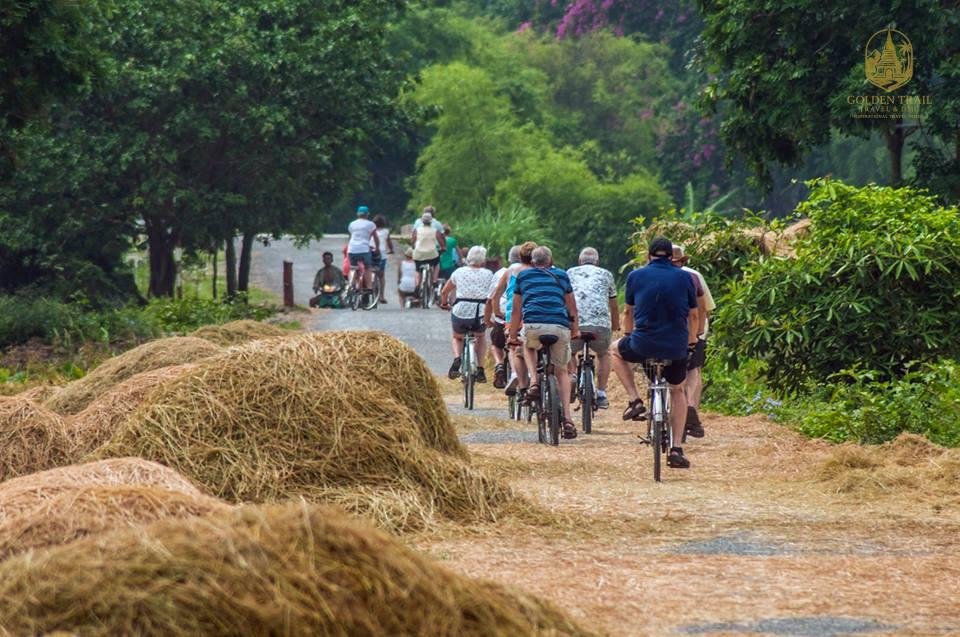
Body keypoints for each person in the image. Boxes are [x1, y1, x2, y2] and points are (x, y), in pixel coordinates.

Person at [611, 237, 698, 469]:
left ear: (648, 256)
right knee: (677, 390)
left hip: (643, 344)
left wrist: (629, 333)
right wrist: (690, 342)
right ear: (672, 257)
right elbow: (693, 316)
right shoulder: (686, 277)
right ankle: (677, 447)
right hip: (676, 346)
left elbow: (629, 312)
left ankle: (635, 399)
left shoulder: (635, 276)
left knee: (614, 351)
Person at [507, 245, 581, 440]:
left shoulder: (523, 276)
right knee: (562, 371)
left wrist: (512, 335)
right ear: (551, 260)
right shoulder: (563, 276)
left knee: (528, 345)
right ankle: (567, 418)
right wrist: (575, 331)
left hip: (533, 326)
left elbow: (516, 310)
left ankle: (533, 381)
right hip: (559, 326)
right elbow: (572, 308)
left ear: (532, 261)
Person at [566, 247, 620, 409]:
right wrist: (616, 325)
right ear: (597, 262)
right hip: (600, 326)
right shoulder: (606, 274)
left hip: (575, 323)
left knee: (570, 351)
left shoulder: (569, 273)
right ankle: (602, 392)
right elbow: (614, 306)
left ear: (579, 261)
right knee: (603, 354)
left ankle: (573, 375)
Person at [672, 245, 716, 439]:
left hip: (666, 333)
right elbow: (705, 308)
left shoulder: (652, 274)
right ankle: (690, 407)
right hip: (693, 330)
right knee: (693, 371)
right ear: (684, 260)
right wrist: (699, 334)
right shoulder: (693, 276)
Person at [441, 246, 494, 382]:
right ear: (483, 261)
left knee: (457, 337)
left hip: (461, 311)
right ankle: (481, 369)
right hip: (480, 312)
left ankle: (457, 358)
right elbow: (493, 295)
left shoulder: (458, 272)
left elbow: (444, 292)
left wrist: (444, 304)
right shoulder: (488, 274)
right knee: (481, 337)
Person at [491, 241, 537, 400]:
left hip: (512, 314)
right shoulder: (540, 270)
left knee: (513, 345)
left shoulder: (510, 270)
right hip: (534, 314)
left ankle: (516, 375)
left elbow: (497, 294)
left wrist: (497, 312)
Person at [484, 245, 521, 389]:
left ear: (509, 259)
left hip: (503, 317)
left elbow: (491, 298)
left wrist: (490, 317)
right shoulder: (532, 271)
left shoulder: (502, 273)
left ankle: (499, 363)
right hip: (525, 318)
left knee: (496, 344)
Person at [410, 210, 445, 295]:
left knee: (418, 270)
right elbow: (441, 242)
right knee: (437, 264)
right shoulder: (435, 231)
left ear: (422, 221)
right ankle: (434, 280)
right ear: (431, 221)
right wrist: (443, 248)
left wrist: (413, 247)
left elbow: (412, 241)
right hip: (431, 254)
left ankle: (418, 284)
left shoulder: (417, 230)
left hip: (419, 254)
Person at [346, 205, 380, 290]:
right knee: (368, 267)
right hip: (364, 250)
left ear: (358, 214)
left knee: (353, 267)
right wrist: (377, 248)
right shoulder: (371, 224)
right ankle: (369, 286)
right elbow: (375, 238)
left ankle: (351, 285)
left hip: (352, 249)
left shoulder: (352, 224)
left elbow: (350, 238)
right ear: (367, 214)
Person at [370, 214, 394, 304]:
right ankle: (382, 296)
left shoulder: (371, 231)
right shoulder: (386, 231)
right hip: (382, 254)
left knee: (369, 271)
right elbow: (389, 243)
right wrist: (391, 250)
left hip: (371, 252)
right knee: (381, 275)